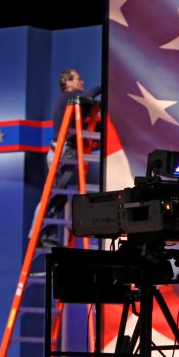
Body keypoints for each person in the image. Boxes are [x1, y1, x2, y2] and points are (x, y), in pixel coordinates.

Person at [34, 68, 102, 246]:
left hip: (61, 149)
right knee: (54, 194)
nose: (82, 81)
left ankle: (45, 236)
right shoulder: (68, 97)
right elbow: (88, 95)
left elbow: (86, 109)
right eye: (78, 79)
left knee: (59, 195)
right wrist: (105, 86)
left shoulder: (70, 102)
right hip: (63, 150)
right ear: (68, 83)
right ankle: (38, 234)